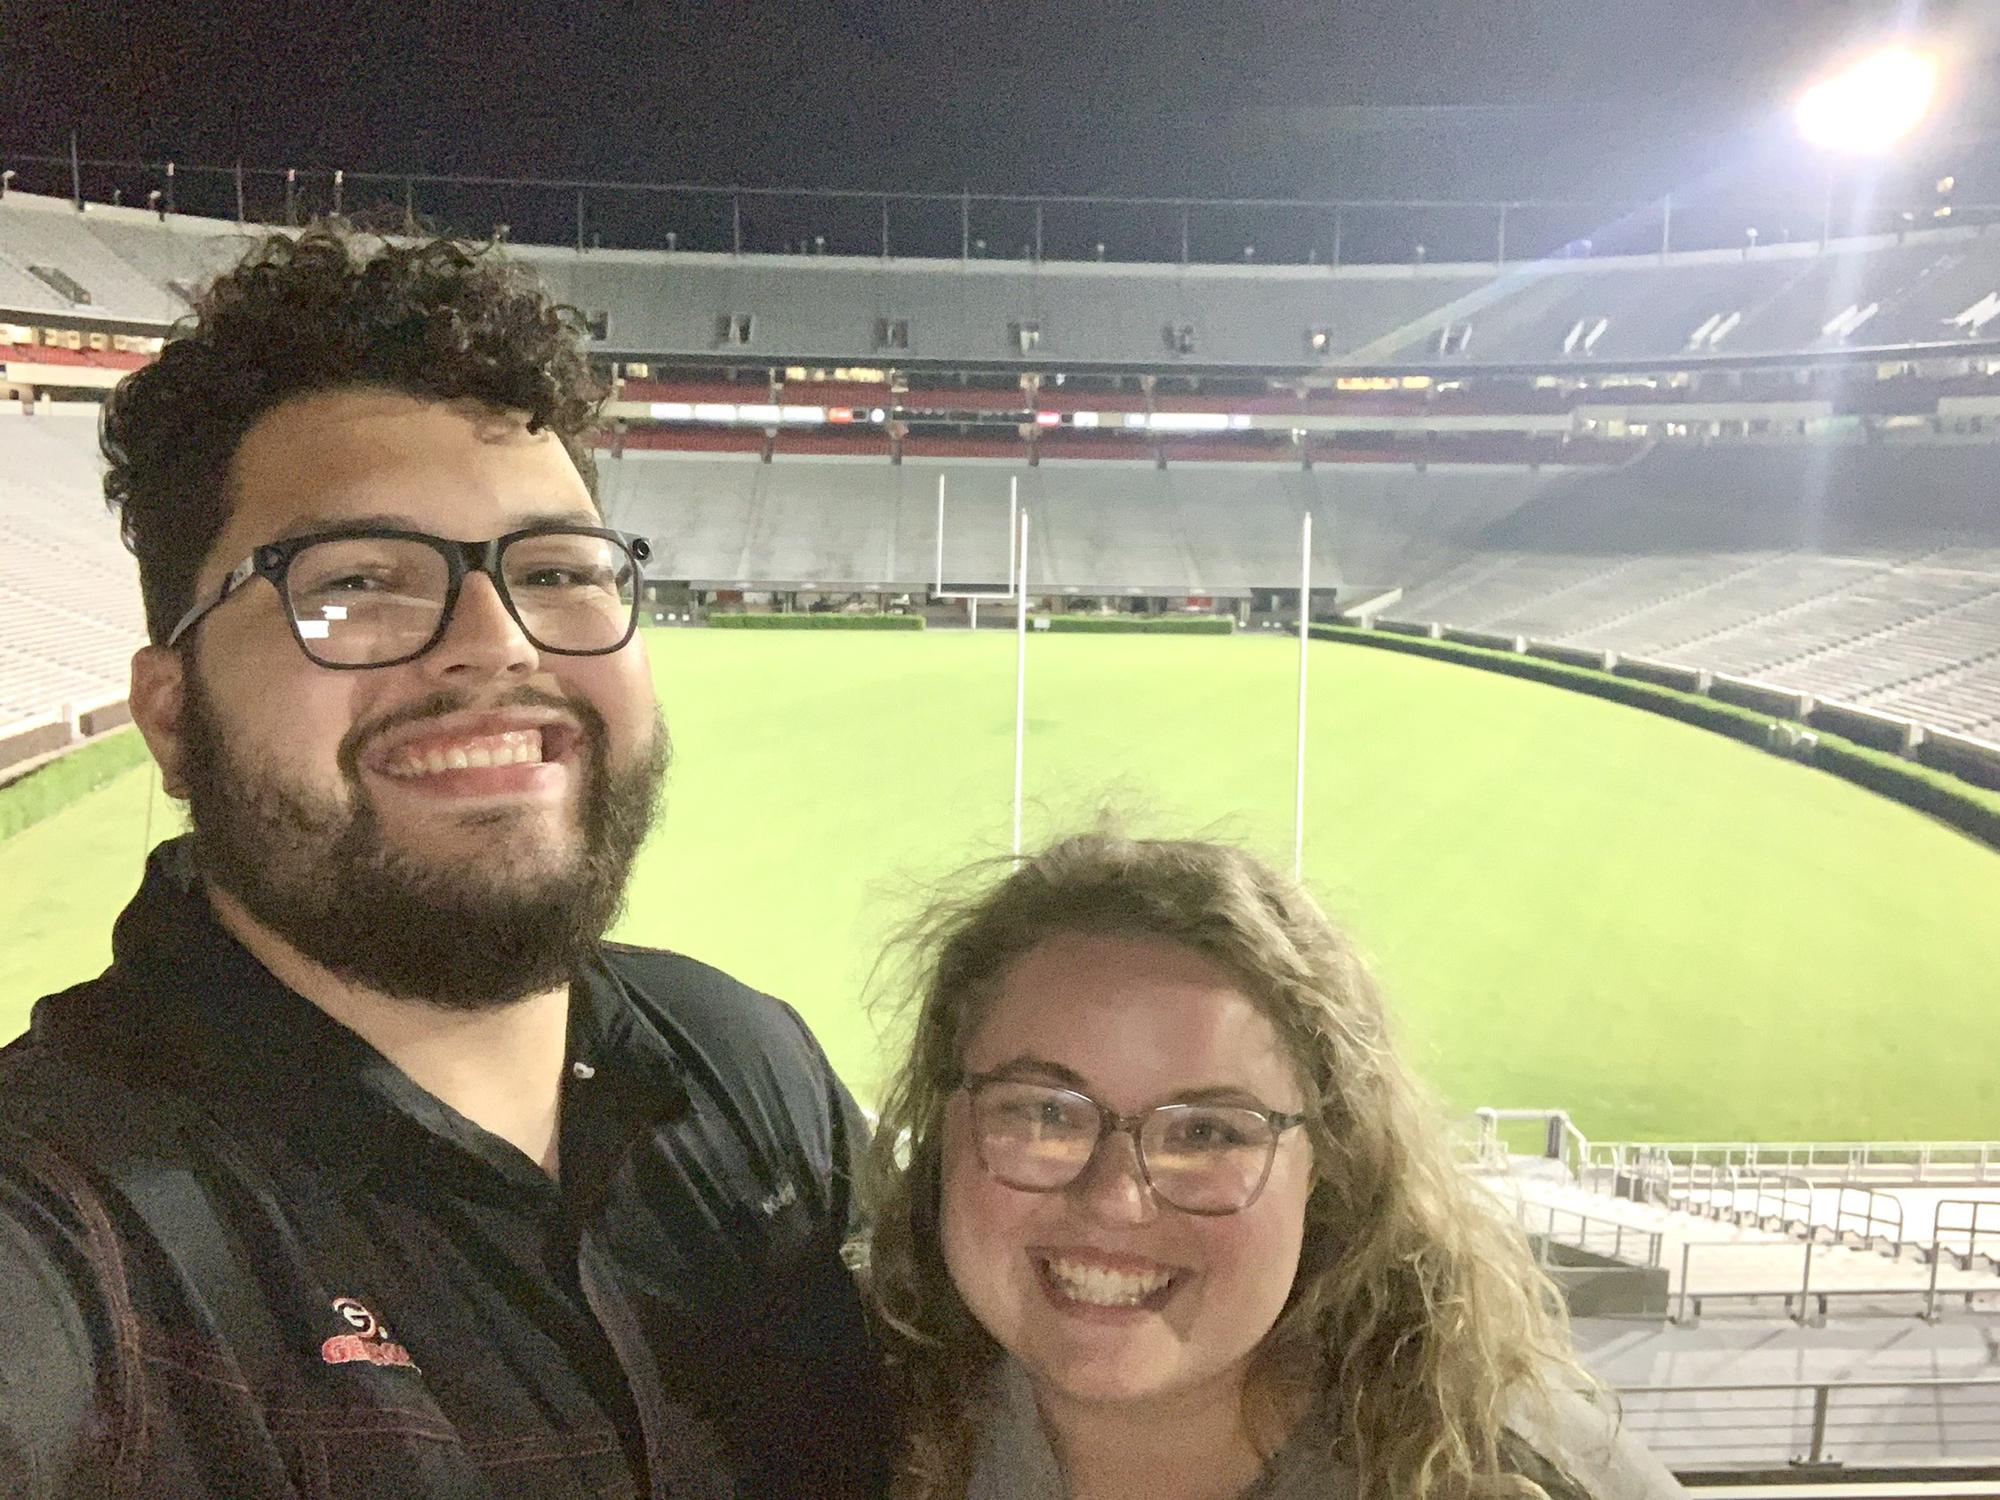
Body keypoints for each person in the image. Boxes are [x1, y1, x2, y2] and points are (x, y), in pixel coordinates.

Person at [0, 227, 886, 1498]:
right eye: (355, 581)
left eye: (558, 571)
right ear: (172, 715)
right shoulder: (68, 1229)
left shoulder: (749, 1063)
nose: (494, 644)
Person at [865, 831, 1686, 1500]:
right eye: (1044, 1113)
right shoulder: (825, 1422)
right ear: (945, 1127)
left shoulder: (1514, 1478)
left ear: (1326, 1162)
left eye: (1208, 1135)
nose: (1115, 1198)